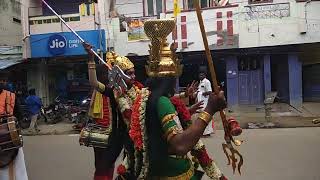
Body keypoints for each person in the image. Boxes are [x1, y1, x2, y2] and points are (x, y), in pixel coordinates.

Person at [126, 18, 228, 179]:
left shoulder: (148, 95)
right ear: (172, 77)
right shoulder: (162, 101)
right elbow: (180, 145)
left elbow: (162, 122)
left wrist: (187, 108)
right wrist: (210, 109)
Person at [0, 75, 28, 180]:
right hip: (9, 140)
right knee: (13, 172)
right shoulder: (11, 96)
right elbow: (19, 117)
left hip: (8, 140)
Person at [197, 70, 215, 136]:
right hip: (201, 103)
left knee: (206, 116)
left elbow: (210, 92)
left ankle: (207, 132)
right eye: (199, 75)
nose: (200, 76)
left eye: (202, 75)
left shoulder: (207, 82)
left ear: (205, 76)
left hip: (205, 102)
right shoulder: (200, 82)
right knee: (202, 117)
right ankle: (205, 132)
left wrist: (203, 93)